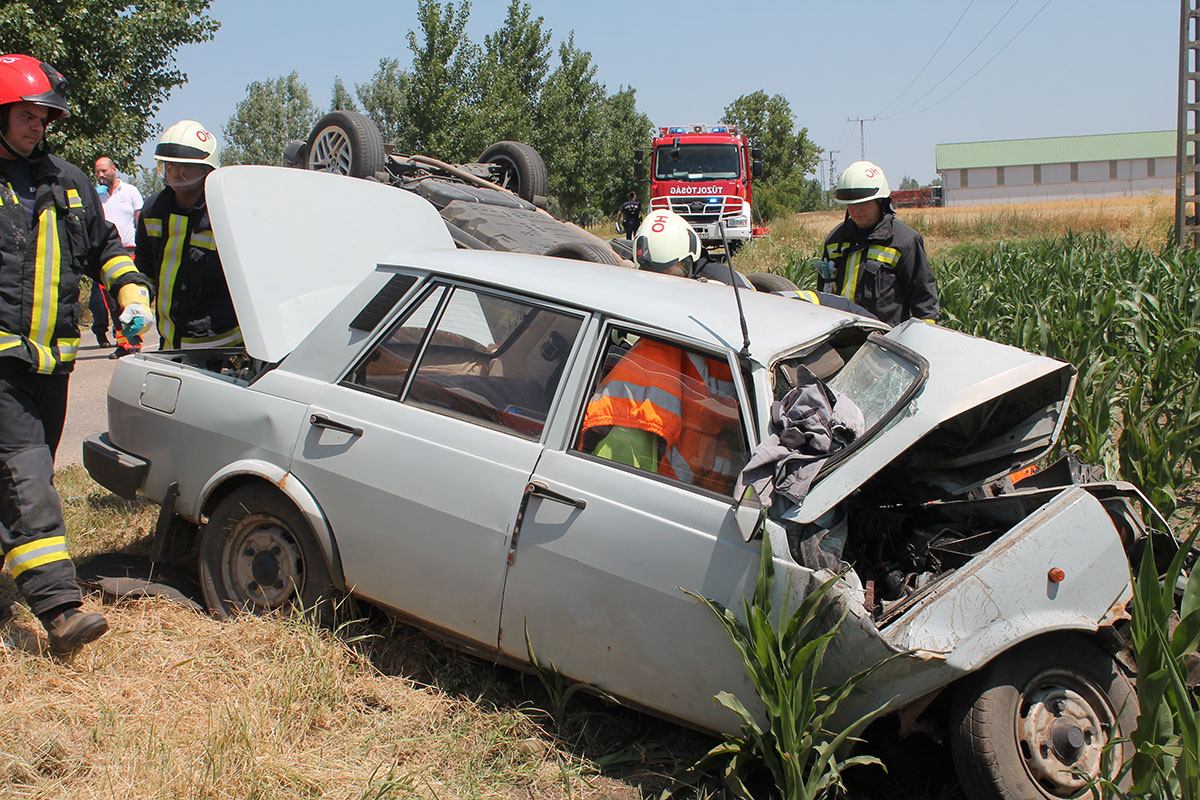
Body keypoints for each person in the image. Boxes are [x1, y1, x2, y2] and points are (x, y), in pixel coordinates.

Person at [0, 54, 153, 653]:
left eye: (45, 117)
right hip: (3, 363)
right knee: (28, 475)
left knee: (11, 483)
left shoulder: (68, 181)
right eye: (26, 115)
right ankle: (61, 609)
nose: (37, 125)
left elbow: (106, 249)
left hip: (53, 367)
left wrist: (132, 290)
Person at [136, 120, 240, 350]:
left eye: (185, 166)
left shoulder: (224, 211)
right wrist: (138, 302)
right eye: (169, 165)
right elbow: (144, 270)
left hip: (222, 347)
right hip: (170, 344)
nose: (176, 172)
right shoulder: (153, 211)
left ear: (207, 169)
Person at [818, 160, 939, 326]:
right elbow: (823, 293)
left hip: (884, 341)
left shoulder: (904, 241)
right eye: (851, 205)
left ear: (880, 202)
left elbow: (924, 300)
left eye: (863, 203)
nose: (856, 210)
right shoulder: (835, 240)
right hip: (839, 338)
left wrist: (923, 336)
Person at [93, 156, 143, 354]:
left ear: (114, 169)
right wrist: (95, 200)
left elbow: (140, 221)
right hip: (105, 254)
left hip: (128, 250)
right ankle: (123, 344)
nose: (101, 175)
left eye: (104, 170)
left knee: (129, 299)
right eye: (97, 172)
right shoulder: (98, 196)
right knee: (112, 304)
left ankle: (135, 343)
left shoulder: (130, 191)